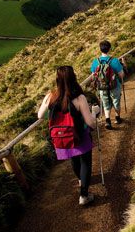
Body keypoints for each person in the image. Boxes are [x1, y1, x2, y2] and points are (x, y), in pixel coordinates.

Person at [38, 66, 100, 206]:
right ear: (74, 78)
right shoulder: (79, 98)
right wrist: (95, 114)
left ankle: (80, 180)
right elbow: (90, 123)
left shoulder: (50, 96)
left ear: (57, 80)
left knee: (74, 159)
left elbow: (40, 115)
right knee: (85, 162)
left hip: (62, 136)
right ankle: (84, 195)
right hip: (80, 135)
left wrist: (56, 116)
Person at [90, 40, 125, 129]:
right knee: (116, 101)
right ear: (109, 49)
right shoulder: (115, 61)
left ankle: (108, 121)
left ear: (100, 49)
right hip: (114, 85)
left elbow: (93, 76)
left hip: (102, 87)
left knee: (106, 103)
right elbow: (121, 75)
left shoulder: (95, 62)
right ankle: (117, 118)